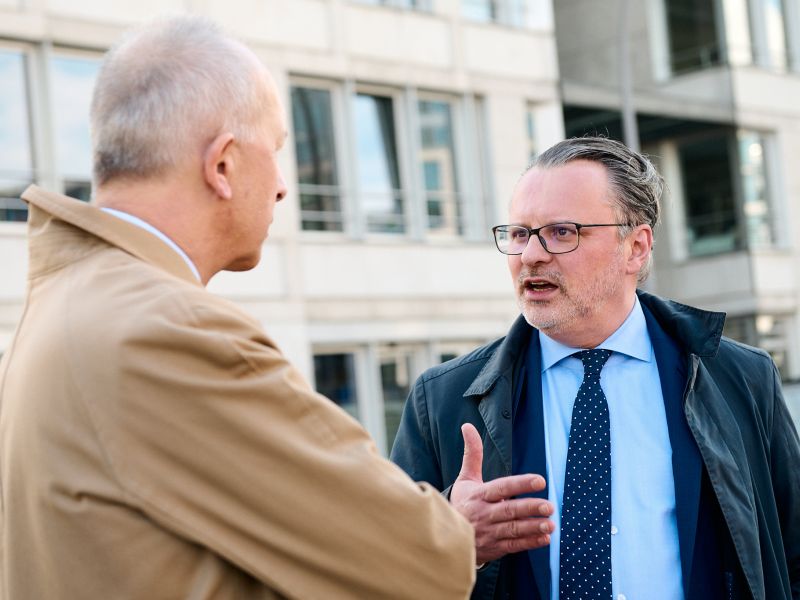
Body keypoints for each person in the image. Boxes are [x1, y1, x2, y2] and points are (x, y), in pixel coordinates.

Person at [0, 16, 480, 599]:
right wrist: (454, 531)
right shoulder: (169, 332)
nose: (281, 185)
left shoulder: (62, 305)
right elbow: (417, 563)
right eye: (275, 151)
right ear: (222, 165)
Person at [391, 136, 800, 600]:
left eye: (562, 232)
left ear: (636, 247)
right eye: (520, 233)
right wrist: (449, 540)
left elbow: (791, 554)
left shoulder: (740, 377)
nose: (531, 256)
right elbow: (378, 572)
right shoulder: (442, 400)